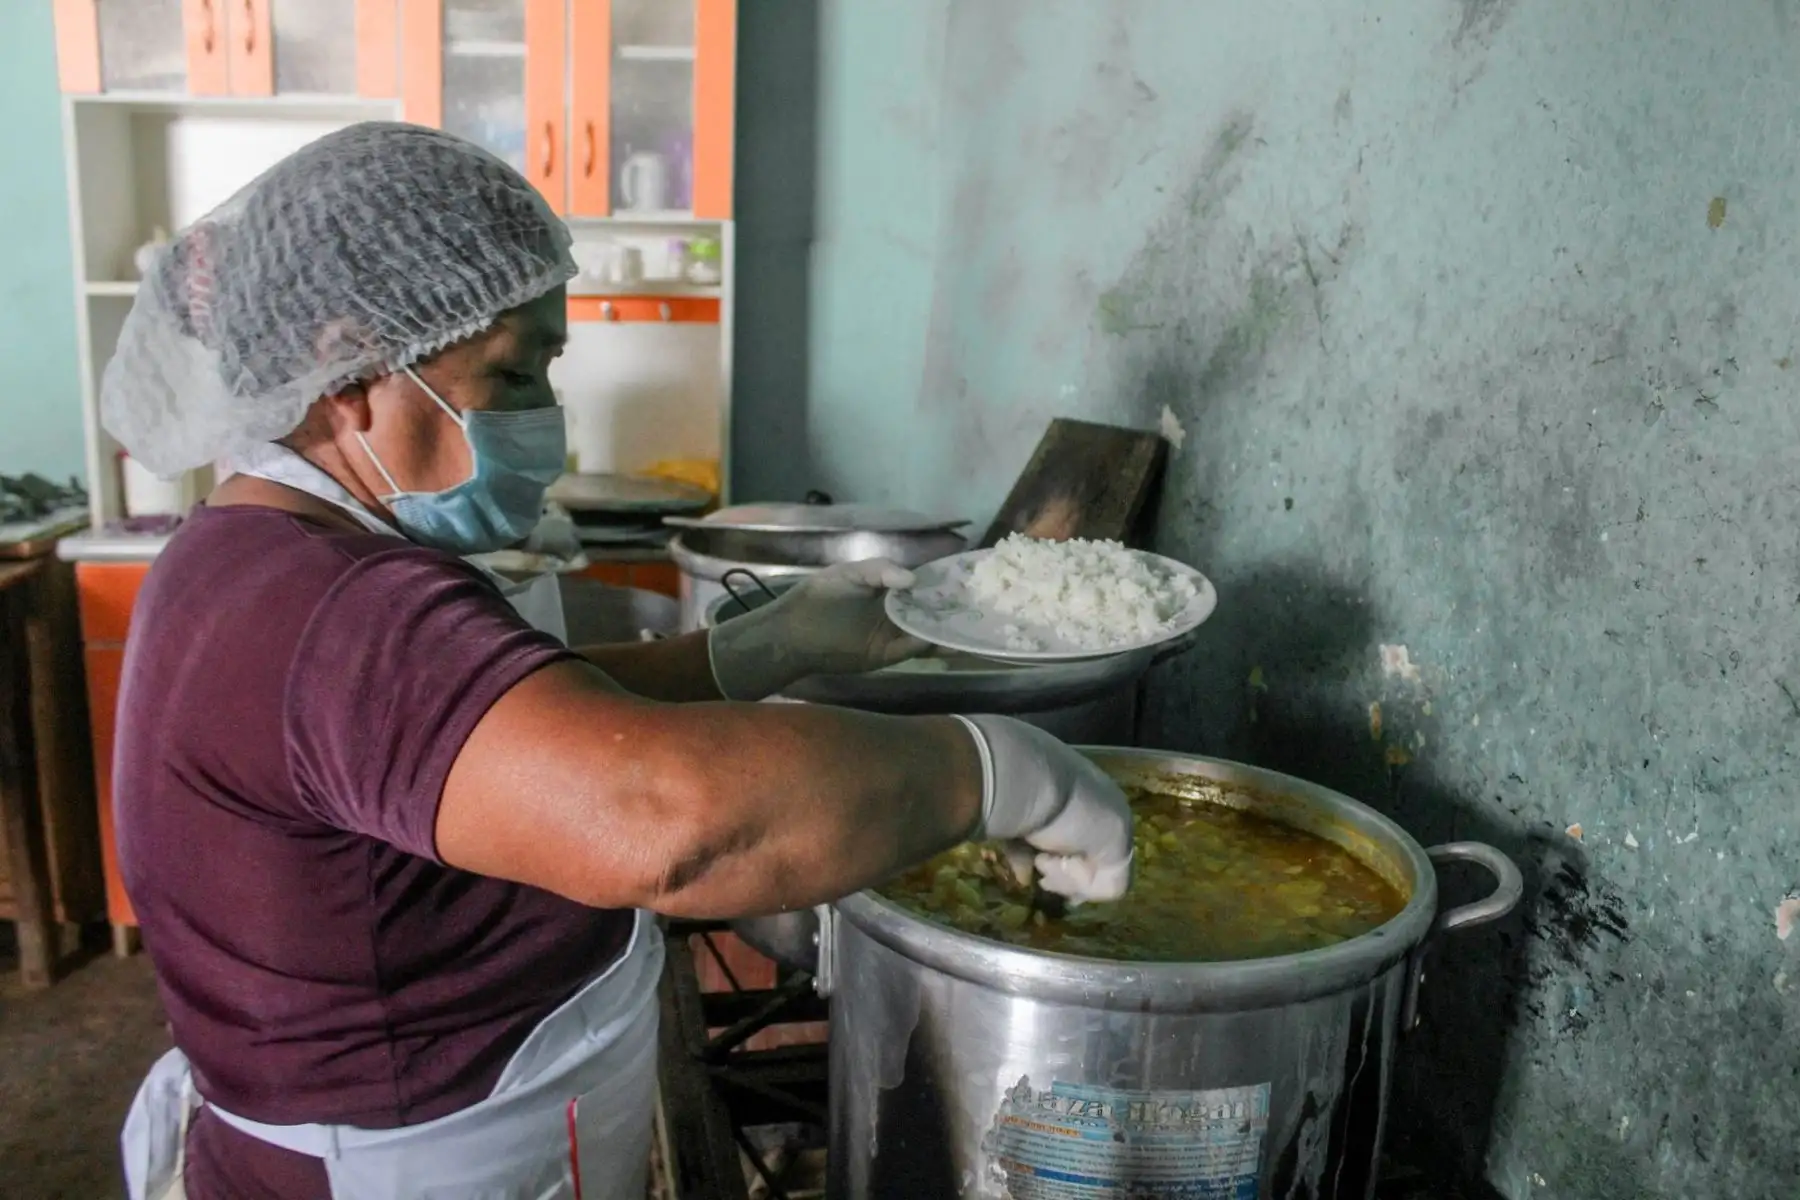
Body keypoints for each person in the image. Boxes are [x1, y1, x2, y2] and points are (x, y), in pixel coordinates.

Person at [101, 122, 1133, 1200]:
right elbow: (664, 823)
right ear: (349, 371)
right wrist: (1002, 773)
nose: (545, 413)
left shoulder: (255, 549)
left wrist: (751, 650)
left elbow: (521, 726)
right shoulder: (342, 611)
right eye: (512, 371)